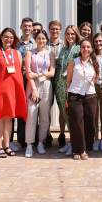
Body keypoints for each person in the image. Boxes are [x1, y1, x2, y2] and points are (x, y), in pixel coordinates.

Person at [0, 28, 27, 158]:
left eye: (11, 37)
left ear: (14, 39)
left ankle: (7, 145)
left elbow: (18, 74)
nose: (8, 39)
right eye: (6, 37)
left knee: (9, 119)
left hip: (12, 91)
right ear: (1, 37)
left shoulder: (17, 53)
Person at [24, 30, 55, 158]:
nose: (41, 41)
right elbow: (28, 73)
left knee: (44, 116)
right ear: (35, 39)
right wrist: (34, 89)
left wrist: (37, 74)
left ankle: (40, 142)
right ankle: (29, 145)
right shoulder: (29, 53)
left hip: (46, 85)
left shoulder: (50, 53)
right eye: (38, 38)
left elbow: (52, 72)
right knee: (31, 115)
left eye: (43, 38)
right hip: (33, 86)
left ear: (46, 40)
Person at [66, 38, 99, 160]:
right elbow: (68, 81)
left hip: (90, 96)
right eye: (83, 47)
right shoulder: (74, 62)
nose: (86, 49)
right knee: (77, 124)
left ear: (91, 49)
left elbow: (95, 79)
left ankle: (85, 148)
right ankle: (78, 150)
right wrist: (67, 98)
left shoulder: (94, 62)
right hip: (75, 95)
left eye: (88, 47)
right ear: (80, 49)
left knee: (89, 123)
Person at [55, 25, 81, 155]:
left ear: (76, 35)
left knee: (72, 116)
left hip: (71, 86)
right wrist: (56, 85)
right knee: (65, 115)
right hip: (60, 86)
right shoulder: (64, 50)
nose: (70, 36)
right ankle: (70, 142)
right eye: (68, 34)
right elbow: (59, 68)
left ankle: (74, 144)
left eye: (73, 34)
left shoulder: (78, 49)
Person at [16, 18, 36, 150]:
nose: (27, 28)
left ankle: (33, 139)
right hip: (19, 78)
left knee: (33, 109)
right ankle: (22, 140)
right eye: (25, 26)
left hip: (33, 79)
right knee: (21, 108)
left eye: (29, 26)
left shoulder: (36, 43)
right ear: (21, 27)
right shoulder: (15, 43)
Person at [48, 20, 65, 148]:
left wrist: (51, 59)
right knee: (46, 108)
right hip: (47, 79)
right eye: (52, 29)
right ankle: (46, 134)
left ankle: (62, 134)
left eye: (57, 29)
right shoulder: (43, 43)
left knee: (62, 108)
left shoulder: (64, 45)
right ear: (49, 30)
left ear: (60, 30)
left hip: (61, 79)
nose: (55, 31)